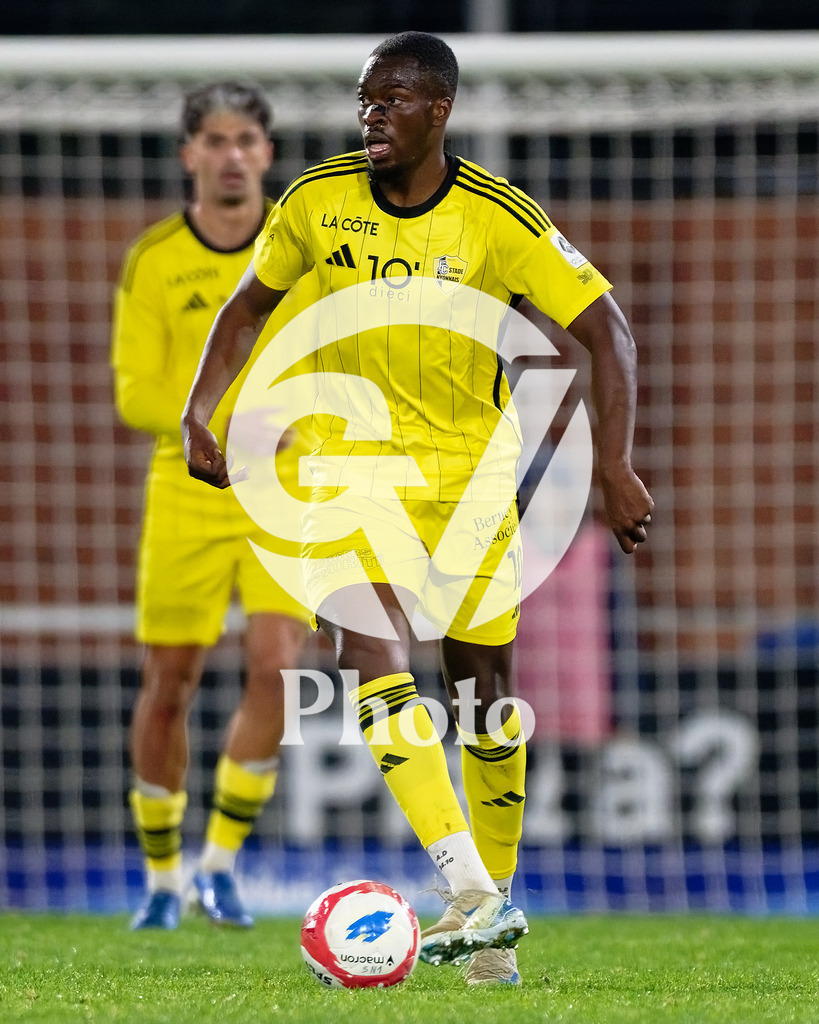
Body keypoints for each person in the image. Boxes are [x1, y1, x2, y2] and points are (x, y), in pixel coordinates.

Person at [181, 33, 654, 982]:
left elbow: (607, 330)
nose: (371, 117)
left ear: (438, 110)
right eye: (364, 101)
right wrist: (201, 409)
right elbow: (244, 307)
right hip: (350, 472)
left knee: (484, 696)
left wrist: (614, 466)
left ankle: (492, 931)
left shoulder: (497, 217)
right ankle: (467, 887)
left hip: (472, 481)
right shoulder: (316, 200)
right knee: (363, 649)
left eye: (391, 100)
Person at [111, 81, 311, 930]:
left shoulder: (300, 248)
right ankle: (162, 879)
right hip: (185, 487)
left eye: (246, 140)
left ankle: (220, 865)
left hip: (284, 486)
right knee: (170, 683)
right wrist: (224, 427)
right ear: (189, 154)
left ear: (267, 153)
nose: (232, 156)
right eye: (216, 141)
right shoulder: (156, 258)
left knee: (277, 667)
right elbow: (135, 392)